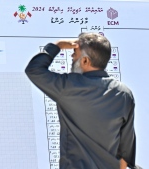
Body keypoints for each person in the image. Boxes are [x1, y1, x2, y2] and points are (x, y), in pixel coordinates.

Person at [25, 32, 136, 169]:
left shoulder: (68, 87)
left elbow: (34, 70)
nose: (72, 58)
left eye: (74, 54)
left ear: (85, 61)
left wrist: (57, 46)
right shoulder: (124, 94)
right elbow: (126, 148)